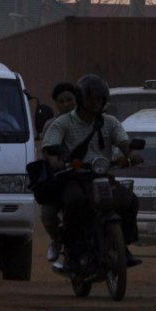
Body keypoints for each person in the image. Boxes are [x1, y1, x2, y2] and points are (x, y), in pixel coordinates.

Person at [41, 73, 142, 272]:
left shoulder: (110, 122)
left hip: (102, 176)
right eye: (92, 98)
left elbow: (123, 141)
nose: (96, 103)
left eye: (100, 98)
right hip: (75, 177)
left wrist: (131, 153)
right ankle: (73, 253)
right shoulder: (63, 123)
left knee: (131, 200)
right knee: (74, 202)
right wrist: (55, 160)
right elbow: (49, 146)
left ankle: (123, 247)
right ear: (80, 99)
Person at [38, 82, 78, 264]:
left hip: (87, 175)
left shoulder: (90, 121)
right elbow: (46, 150)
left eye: (70, 99)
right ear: (56, 104)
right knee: (48, 212)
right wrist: (55, 162)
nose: (66, 104)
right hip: (61, 178)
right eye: (61, 101)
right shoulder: (51, 125)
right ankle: (57, 240)